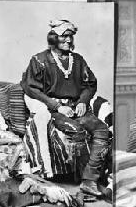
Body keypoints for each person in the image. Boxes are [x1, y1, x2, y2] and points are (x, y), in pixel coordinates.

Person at [20, 19, 110, 197]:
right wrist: (57, 106)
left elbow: (90, 84)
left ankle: (89, 180)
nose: (69, 40)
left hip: (77, 106)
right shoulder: (39, 60)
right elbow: (30, 88)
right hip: (55, 109)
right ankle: (81, 178)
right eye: (65, 36)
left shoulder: (78, 60)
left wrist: (84, 100)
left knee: (102, 130)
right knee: (77, 131)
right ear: (53, 38)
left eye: (71, 37)